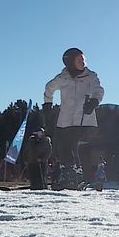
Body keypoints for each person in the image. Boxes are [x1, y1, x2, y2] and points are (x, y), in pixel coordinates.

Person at [43, 48, 104, 189]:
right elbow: (49, 88)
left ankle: (84, 176)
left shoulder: (90, 76)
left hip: (85, 119)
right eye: (79, 60)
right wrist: (48, 102)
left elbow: (98, 89)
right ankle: (68, 175)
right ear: (70, 62)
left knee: (81, 148)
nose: (83, 62)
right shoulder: (63, 78)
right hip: (65, 121)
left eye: (83, 59)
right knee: (64, 149)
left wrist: (94, 101)